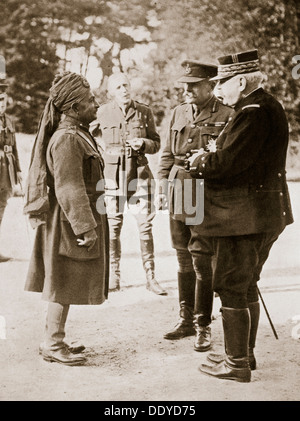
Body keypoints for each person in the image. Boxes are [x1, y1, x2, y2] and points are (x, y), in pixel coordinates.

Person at [186, 49, 294, 382]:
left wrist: (200, 161)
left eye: (222, 83)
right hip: (261, 214)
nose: (217, 89)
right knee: (247, 284)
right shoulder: (264, 106)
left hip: (242, 217)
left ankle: (237, 365)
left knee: (232, 285)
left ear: (242, 81)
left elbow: (227, 164)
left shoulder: (252, 112)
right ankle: (244, 355)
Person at [24, 72, 109, 366]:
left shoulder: (79, 133)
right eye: (90, 101)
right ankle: (52, 343)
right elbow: (69, 186)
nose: (96, 105)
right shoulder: (67, 139)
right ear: (73, 108)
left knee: (65, 280)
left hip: (71, 218)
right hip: (69, 221)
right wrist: (85, 226)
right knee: (61, 281)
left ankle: (54, 338)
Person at [156, 61, 233, 351]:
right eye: (184, 85)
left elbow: (227, 160)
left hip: (205, 191)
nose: (187, 90)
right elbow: (166, 154)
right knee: (182, 257)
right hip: (179, 187)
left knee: (202, 259)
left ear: (211, 86)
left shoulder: (227, 114)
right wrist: (162, 186)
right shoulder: (178, 112)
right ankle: (185, 319)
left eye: (194, 85)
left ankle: (203, 324)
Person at [92, 72, 167, 295]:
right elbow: (89, 136)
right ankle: (113, 276)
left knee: (145, 226)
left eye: (126, 85)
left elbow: (156, 143)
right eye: (118, 87)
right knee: (113, 227)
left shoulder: (144, 112)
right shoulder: (102, 112)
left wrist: (143, 143)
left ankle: (151, 277)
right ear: (111, 92)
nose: (124, 90)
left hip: (139, 175)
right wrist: (102, 150)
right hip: (112, 176)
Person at [0, 78, 22, 262]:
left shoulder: (9, 120)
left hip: (6, 172)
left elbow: (13, 148)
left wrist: (19, 170)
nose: (1, 103)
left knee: (1, 208)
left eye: (2, 99)